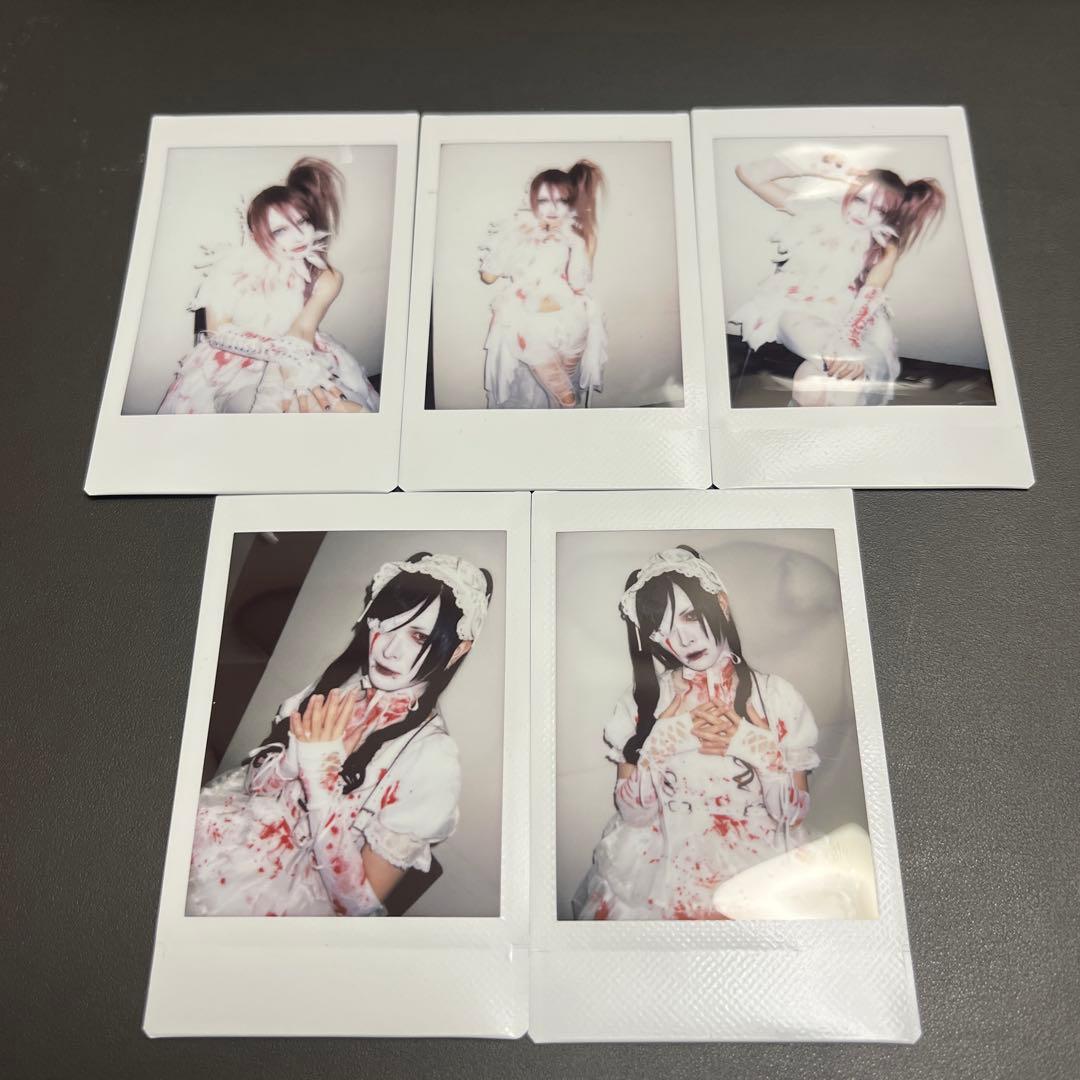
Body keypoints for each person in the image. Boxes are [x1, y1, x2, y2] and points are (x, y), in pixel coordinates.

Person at [186, 552, 493, 917]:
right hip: (239, 832)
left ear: (458, 650)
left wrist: (320, 783)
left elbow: (357, 907)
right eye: (386, 625)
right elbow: (254, 787)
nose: (389, 649)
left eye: (417, 635)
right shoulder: (341, 687)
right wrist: (289, 764)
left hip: (288, 894)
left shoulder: (432, 761)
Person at [573, 546, 820, 921]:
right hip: (663, 875)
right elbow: (634, 817)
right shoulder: (642, 702)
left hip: (757, 871)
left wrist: (757, 748)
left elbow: (792, 817)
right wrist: (658, 745)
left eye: (689, 616)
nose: (683, 640)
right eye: (664, 630)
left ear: (721, 604)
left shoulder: (776, 697)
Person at [158, 157, 380, 415]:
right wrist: (284, 360)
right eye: (280, 231)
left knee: (341, 408)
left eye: (302, 222)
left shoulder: (328, 278)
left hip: (298, 349)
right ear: (256, 236)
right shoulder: (229, 270)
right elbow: (218, 334)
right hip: (233, 366)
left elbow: (301, 331)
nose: (299, 236)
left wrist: (296, 371)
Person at [730, 148, 945, 406]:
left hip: (852, 321)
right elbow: (749, 173)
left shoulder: (883, 245)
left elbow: (873, 289)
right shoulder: (814, 211)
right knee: (820, 369)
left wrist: (850, 340)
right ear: (848, 191)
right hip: (802, 311)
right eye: (860, 199)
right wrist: (821, 166)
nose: (864, 214)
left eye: (880, 209)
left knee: (811, 388)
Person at [478, 160, 608, 409]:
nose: (553, 208)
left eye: (561, 201)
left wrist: (577, 245)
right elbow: (488, 277)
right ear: (532, 201)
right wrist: (506, 244)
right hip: (529, 320)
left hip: (571, 317)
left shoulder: (574, 235)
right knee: (564, 397)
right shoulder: (518, 232)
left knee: (564, 390)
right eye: (544, 200)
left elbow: (578, 284)